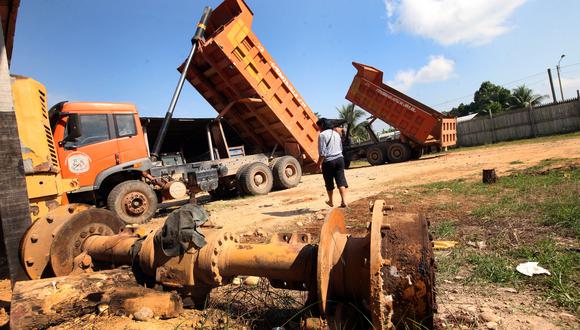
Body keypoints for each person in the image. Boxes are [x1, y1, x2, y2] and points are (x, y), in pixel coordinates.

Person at [316, 118, 348, 208]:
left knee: (329, 182)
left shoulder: (322, 135)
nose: (318, 128)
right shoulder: (336, 133)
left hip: (329, 161)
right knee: (341, 180)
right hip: (340, 159)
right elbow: (341, 147)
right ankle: (344, 201)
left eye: (318, 126)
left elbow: (322, 153)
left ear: (322, 125)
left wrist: (318, 165)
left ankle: (330, 201)